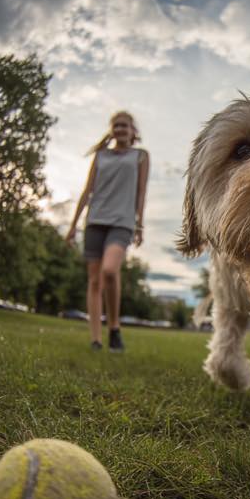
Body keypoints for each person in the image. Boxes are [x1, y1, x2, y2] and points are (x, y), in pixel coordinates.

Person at [66, 111, 149, 352]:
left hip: (122, 223)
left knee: (110, 271)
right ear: (111, 131)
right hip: (94, 221)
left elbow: (141, 192)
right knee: (94, 281)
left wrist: (139, 224)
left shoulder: (141, 156)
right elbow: (86, 192)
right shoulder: (100, 156)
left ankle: (113, 327)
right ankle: (95, 339)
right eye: (116, 126)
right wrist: (72, 226)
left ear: (133, 131)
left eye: (124, 126)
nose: (120, 130)